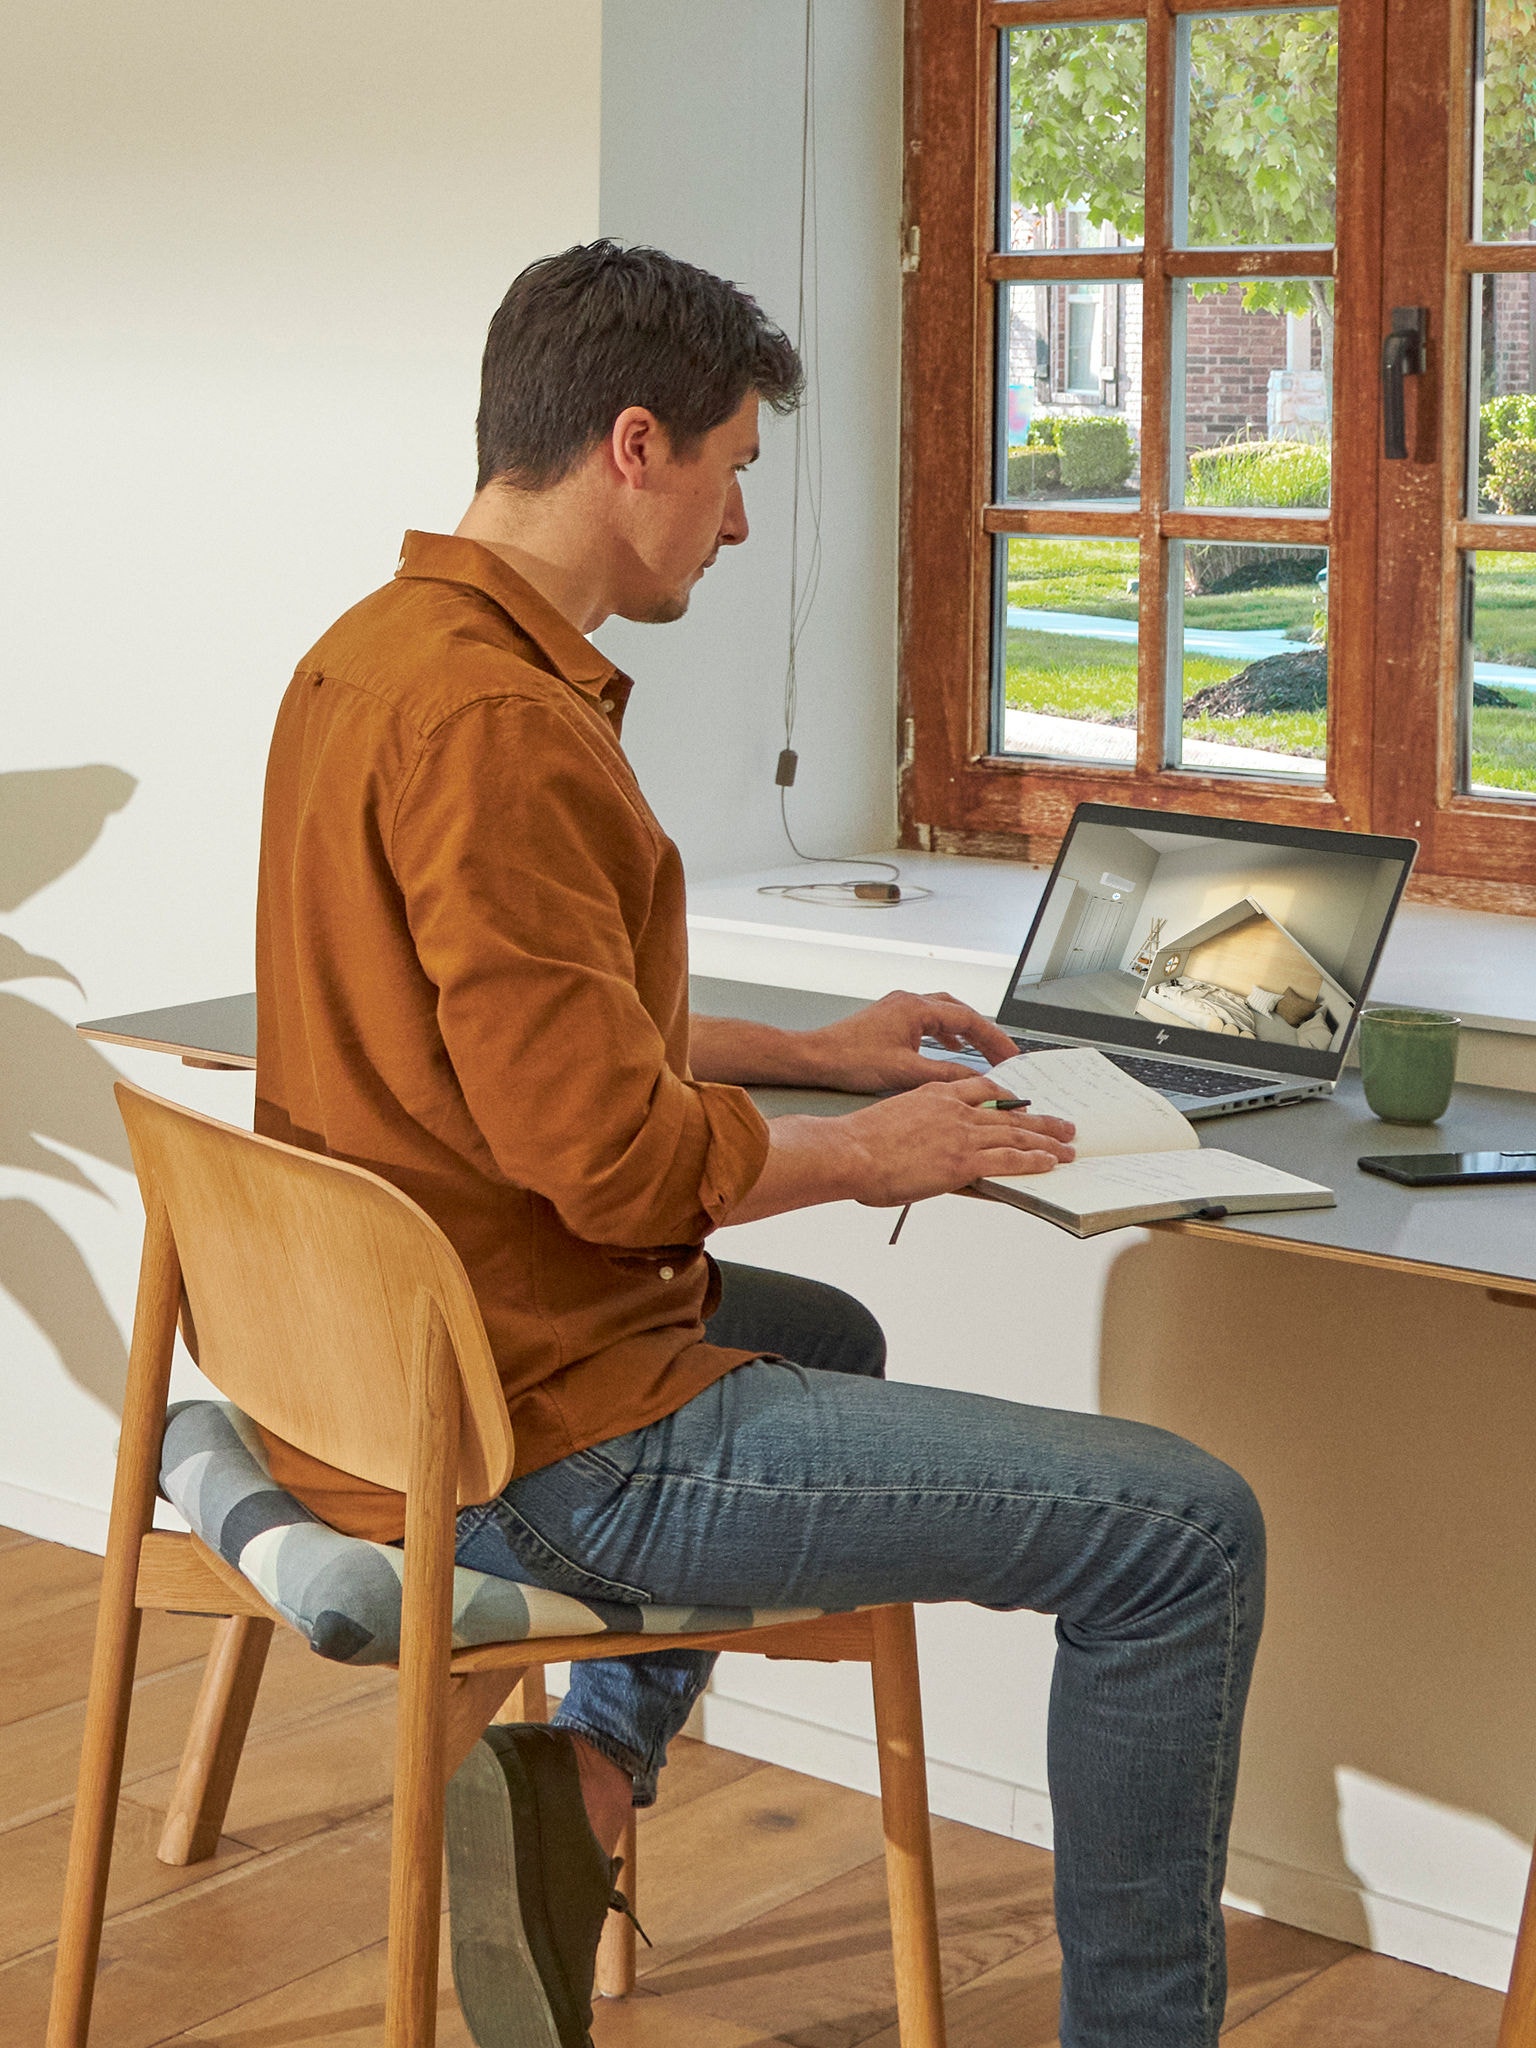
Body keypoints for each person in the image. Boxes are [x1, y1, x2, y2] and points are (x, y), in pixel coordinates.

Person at [255, 240, 1264, 2048]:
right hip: (531, 1435)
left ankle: (585, 1776)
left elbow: (529, 1033)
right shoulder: (501, 726)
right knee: (1183, 1529)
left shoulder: (371, 657)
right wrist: (873, 1156)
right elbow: (611, 1166)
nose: (734, 523)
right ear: (633, 446)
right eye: (729, 468)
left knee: (825, 1336)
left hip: (377, 1372)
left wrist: (814, 1058)